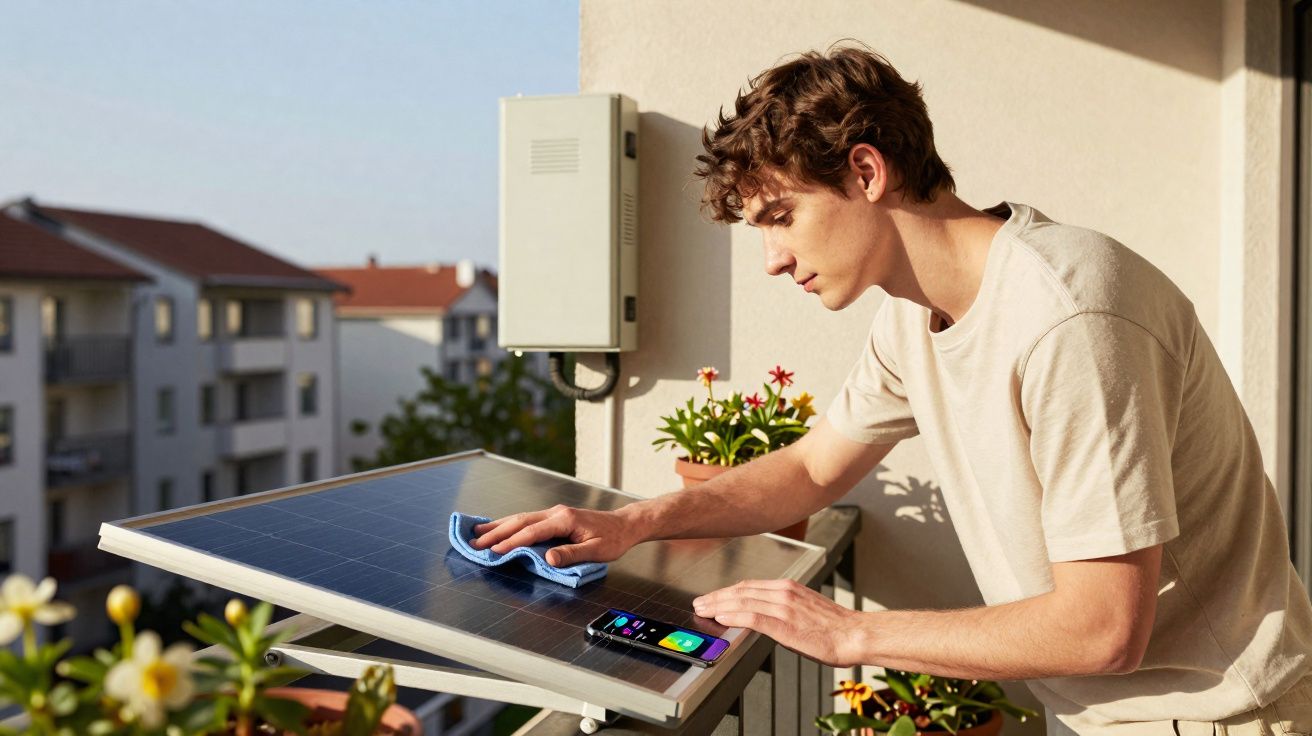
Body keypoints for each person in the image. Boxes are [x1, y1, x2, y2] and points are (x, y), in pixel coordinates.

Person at [469, 44, 1312, 734]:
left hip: (1220, 716)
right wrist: (631, 523)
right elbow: (808, 474)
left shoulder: (1070, 317)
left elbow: (1104, 626)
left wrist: (848, 635)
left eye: (780, 219)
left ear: (866, 173)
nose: (772, 260)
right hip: (1108, 718)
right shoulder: (914, 318)